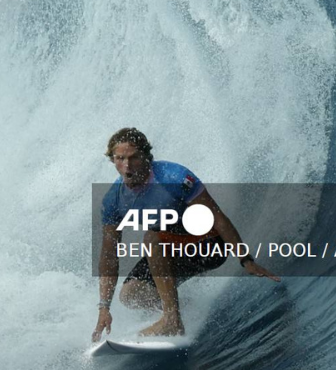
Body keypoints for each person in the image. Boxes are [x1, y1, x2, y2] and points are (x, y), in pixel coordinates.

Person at [92, 128, 279, 340]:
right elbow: (109, 254)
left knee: (152, 237)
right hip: (171, 248)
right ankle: (183, 310)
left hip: (208, 245)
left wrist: (246, 260)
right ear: (112, 160)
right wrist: (104, 308)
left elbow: (217, 217)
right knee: (131, 295)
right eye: (120, 158)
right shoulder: (113, 201)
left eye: (134, 157)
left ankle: (172, 320)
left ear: (145, 156)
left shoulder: (175, 177)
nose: (127, 165)